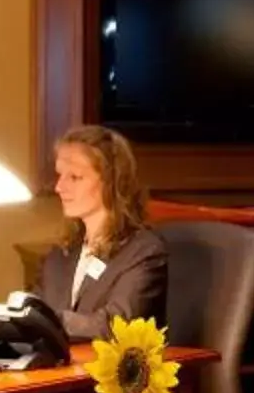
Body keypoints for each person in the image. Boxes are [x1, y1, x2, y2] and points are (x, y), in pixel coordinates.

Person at [35, 125, 168, 341]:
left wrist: (46, 321)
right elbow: (33, 309)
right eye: (60, 175)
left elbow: (116, 326)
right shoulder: (61, 253)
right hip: (61, 370)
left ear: (110, 182)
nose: (59, 187)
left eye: (75, 177)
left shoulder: (144, 252)